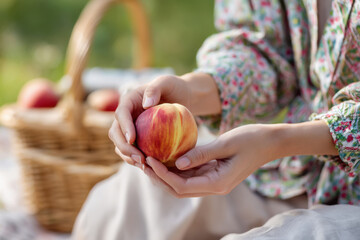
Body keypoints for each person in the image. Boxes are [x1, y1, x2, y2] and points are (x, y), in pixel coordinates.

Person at [72, 0, 360, 239]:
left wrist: (277, 141)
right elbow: (263, 47)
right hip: (298, 174)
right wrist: (193, 89)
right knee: (124, 205)